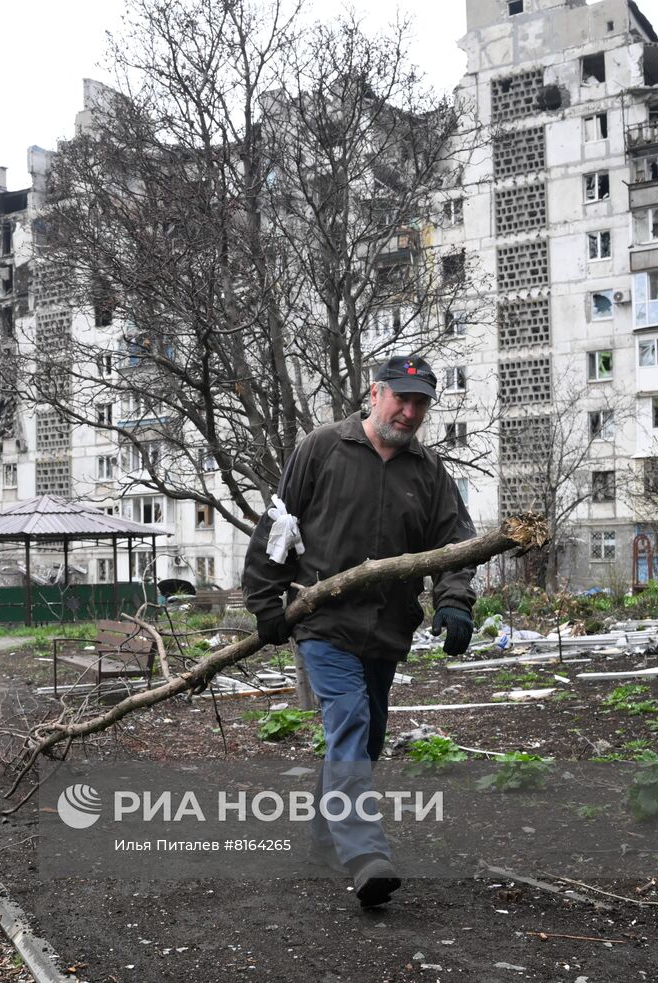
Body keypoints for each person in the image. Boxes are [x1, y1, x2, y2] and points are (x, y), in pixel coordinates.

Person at [242, 355, 477, 908]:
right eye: (401, 398)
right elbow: (279, 525)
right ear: (375, 394)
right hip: (324, 619)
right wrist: (264, 600)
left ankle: (324, 840)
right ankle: (365, 854)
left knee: (365, 739)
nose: (410, 410)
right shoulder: (322, 448)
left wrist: (455, 601)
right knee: (348, 720)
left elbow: (456, 547)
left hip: (388, 628)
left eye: (421, 402)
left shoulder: (428, 471)